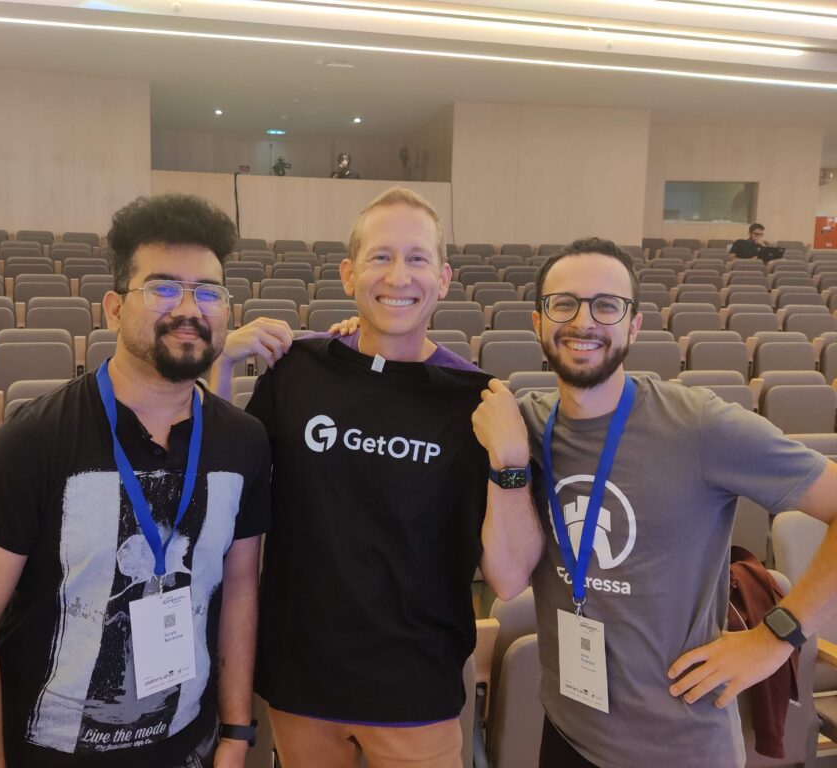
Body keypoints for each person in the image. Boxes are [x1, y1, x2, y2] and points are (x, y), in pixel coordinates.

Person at [0, 194, 272, 767]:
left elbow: (238, 591)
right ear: (114, 309)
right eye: (163, 289)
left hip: (191, 749)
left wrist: (236, 731)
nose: (190, 309)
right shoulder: (33, 442)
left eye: (208, 292)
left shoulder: (244, 442)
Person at [472, 236, 837, 768]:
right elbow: (506, 581)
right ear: (538, 322)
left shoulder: (699, 425)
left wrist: (777, 637)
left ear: (634, 325)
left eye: (607, 305)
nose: (584, 321)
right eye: (564, 303)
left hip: (682, 748)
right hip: (568, 732)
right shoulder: (521, 424)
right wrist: (349, 339)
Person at [208, 187, 534, 767]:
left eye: (417, 258)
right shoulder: (297, 373)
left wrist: (511, 460)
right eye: (381, 256)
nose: (398, 275)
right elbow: (217, 488)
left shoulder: (478, 402)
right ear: (349, 273)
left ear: (443, 279)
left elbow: (508, 578)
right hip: (302, 681)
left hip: (417, 692)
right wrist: (220, 362)